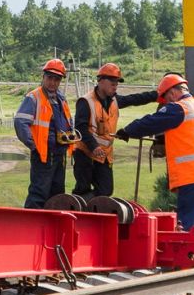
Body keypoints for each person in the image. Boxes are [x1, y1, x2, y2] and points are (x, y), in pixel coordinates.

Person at [116, 73, 194, 231]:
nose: (166, 102)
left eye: (165, 98)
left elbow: (151, 122)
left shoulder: (179, 108)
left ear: (172, 92)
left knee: (184, 228)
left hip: (192, 175)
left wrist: (128, 131)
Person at [69, 63, 162, 199]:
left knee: (106, 191)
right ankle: (75, 205)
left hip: (104, 156)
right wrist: (94, 146)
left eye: (117, 83)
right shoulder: (85, 101)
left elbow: (134, 99)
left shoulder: (114, 100)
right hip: (85, 154)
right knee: (83, 188)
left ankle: (82, 204)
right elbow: (80, 128)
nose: (115, 86)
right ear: (101, 81)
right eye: (112, 83)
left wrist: (156, 95)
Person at [14, 59, 78, 208]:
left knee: (57, 193)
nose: (52, 82)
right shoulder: (34, 97)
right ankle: (32, 221)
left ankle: (52, 221)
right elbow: (20, 122)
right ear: (43, 77)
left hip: (59, 153)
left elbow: (68, 122)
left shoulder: (61, 99)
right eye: (50, 78)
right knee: (39, 193)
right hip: (43, 154)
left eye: (57, 79)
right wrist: (33, 145)